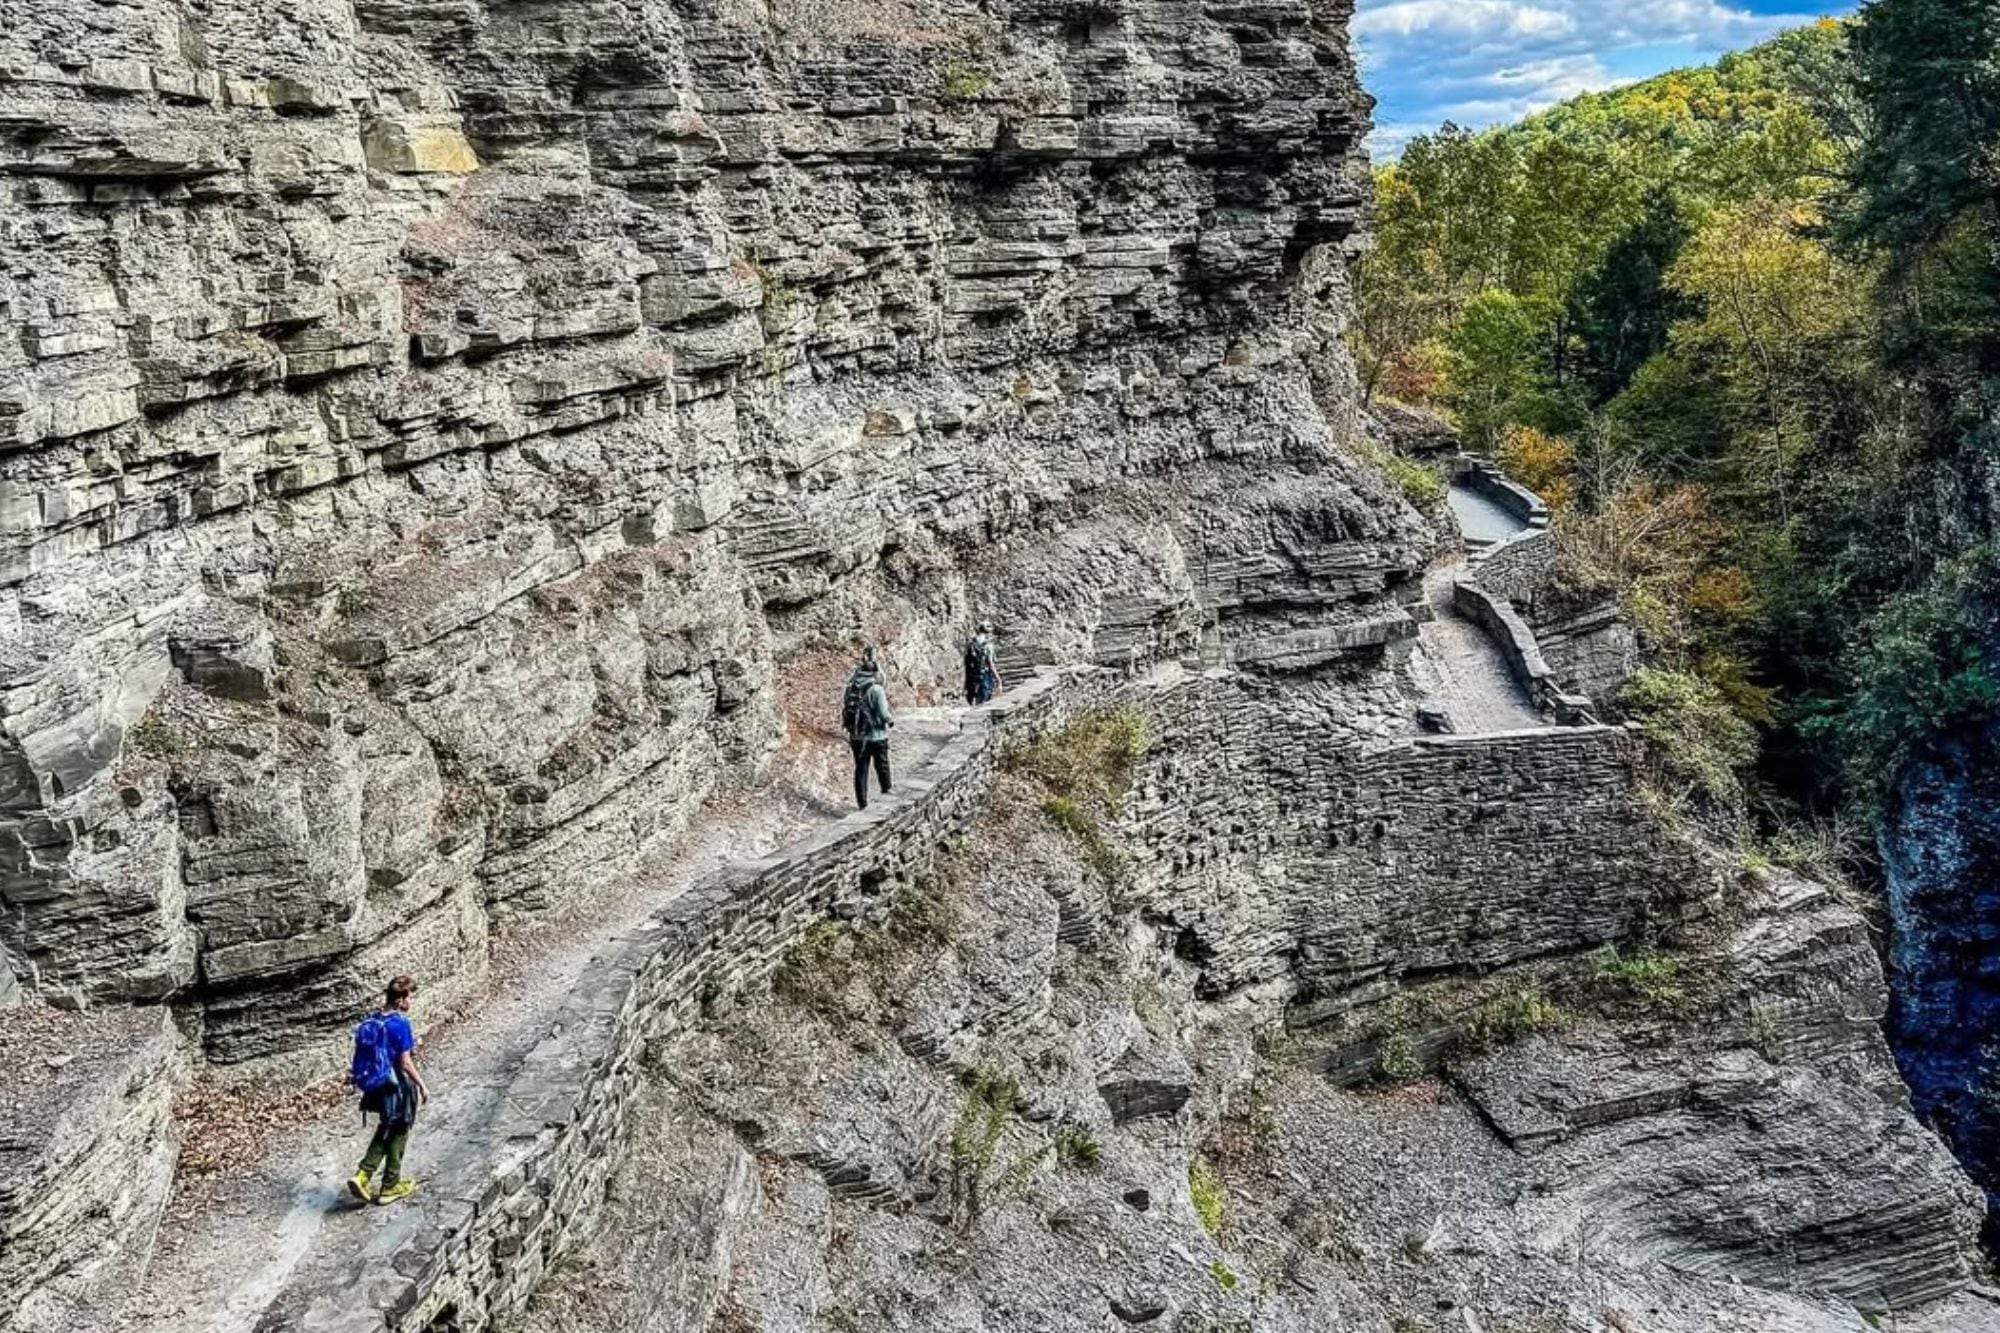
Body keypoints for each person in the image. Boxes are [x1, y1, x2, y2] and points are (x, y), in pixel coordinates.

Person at [347, 974, 428, 1206]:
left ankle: (363, 1175)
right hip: (397, 1086)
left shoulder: (373, 1019)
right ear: (401, 998)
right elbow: (405, 1062)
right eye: (410, 997)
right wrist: (422, 1085)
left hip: (377, 1086)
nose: (411, 1002)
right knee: (400, 1130)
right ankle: (390, 1185)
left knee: (386, 1127)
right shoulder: (400, 1023)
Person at [840, 647, 894, 810]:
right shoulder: (876, 689)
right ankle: (888, 795)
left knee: (861, 769)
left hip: (857, 737)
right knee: (882, 766)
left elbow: (846, 707)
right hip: (876, 737)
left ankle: (862, 803)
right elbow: (884, 714)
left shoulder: (851, 687)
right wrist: (890, 720)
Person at [962, 621, 1003, 706]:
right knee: (984, 702)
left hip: (972, 677)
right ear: (989, 632)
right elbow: (991, 664)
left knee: (974, 701)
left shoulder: (971, 644)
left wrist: (965, 683)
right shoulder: (989, 645)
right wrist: (999, 680)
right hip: (985, 675)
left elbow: (966, 664)